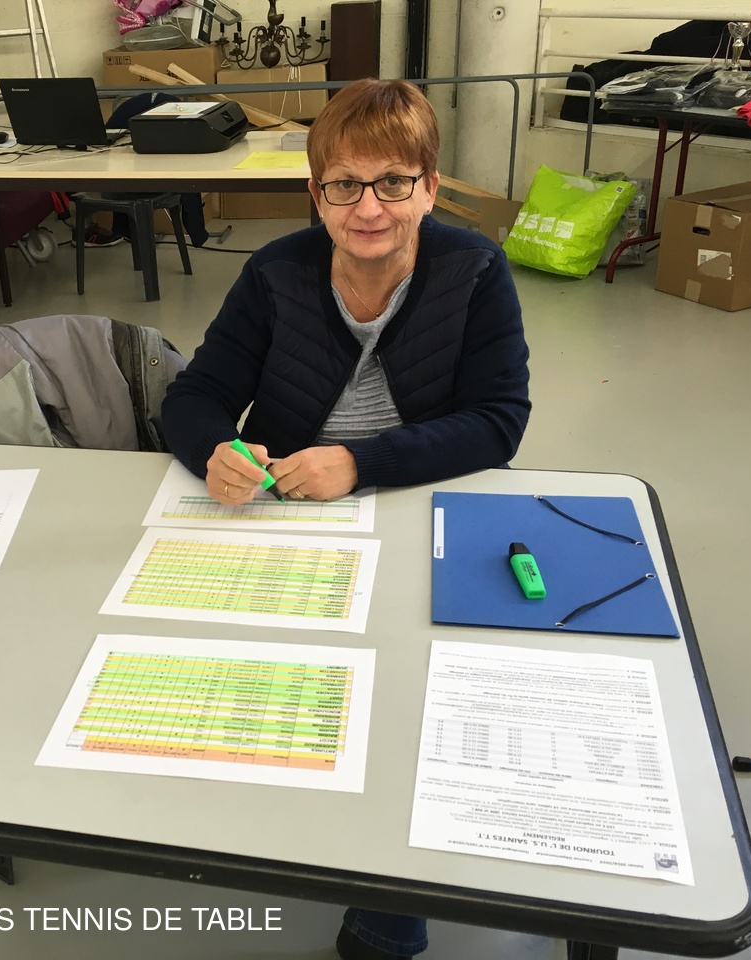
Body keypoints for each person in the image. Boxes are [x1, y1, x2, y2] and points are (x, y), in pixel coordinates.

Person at [160, 79, 531, 960]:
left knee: (410, 712)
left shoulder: (475, 271)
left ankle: (383, 917)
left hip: (417, 502)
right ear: (315, 193)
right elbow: (195, 395)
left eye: (393, 182)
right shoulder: (275, 273)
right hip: (289, 518)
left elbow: (499, 421)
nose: (368, 207)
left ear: (430, 188)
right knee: (250, 694)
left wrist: (362, 463)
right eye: (344, 184)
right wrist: (215, 449)